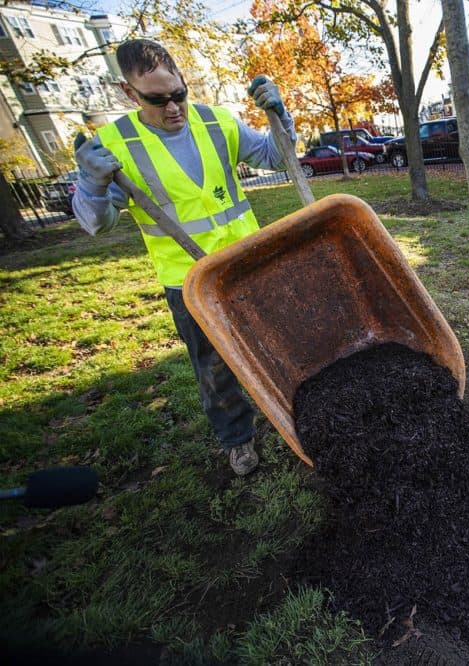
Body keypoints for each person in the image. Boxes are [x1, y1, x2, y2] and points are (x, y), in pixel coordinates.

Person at [72, 39, 296, 476]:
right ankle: (238, 440)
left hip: (247, 262)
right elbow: (95, 223)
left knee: (279, 342)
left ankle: (295, 409)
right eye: (157, 100)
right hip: (188, 279)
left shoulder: (215, 122)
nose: (173, 107)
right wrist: (92, 184)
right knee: (214, 369)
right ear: (128, 92)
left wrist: (279, 115)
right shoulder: (113, 147)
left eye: (179, 94)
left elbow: (276, 156)